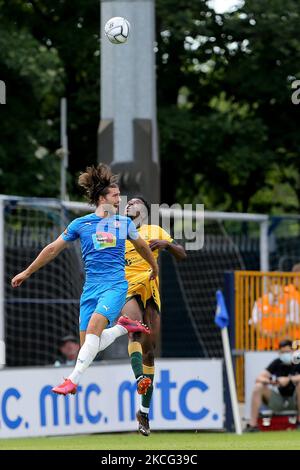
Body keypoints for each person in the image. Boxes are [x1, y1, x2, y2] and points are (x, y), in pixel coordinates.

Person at [11, 164, 158, 395]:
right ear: (102, 198)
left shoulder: (124, 223)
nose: (120, 199)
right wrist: (27, 272)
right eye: (115, 195)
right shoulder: (81, 224)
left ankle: (72, 380)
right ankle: (122, 328)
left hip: (115, 286)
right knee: (90, 345)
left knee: (93, 329)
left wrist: (154, 266)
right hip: (90, 290)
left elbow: (142, 246)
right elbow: (52, 249)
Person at [96, 196, 187, 436]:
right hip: (126, 286)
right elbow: (98, 250)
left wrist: (166, 245)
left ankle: (143, 413)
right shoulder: (116, 228)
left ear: (145, 211)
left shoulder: (153, 230)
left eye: (135, 202)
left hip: (150, 286)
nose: (129, 204)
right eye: (128, 202)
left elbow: (182, 254)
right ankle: (139, 379)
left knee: (149, 351)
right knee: (134, 329)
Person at [247, 339, 300, 431]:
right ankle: (252, 425)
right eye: (282, 352)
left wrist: (289, 379)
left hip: (295, 400)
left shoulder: (298, 362)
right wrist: (272, 381)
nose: (285, 354)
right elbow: (259, 378)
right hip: (279, 400)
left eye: (287, 352)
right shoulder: (277, 362)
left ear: (293, 351)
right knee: (258, 387)